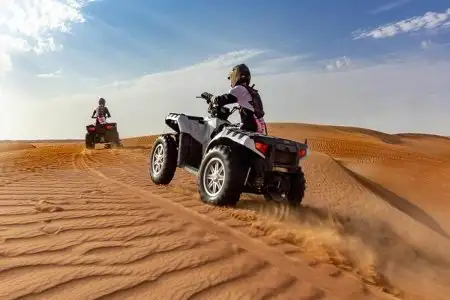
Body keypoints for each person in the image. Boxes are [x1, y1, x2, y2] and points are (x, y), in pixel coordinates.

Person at [201, 64, 267, 134]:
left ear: (236, 75)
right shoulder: (251, 91)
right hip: (258, 125)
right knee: (231, 126)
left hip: (250, 125)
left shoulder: (239, 88)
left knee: (220, 129)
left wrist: (209, 96)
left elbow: (221, 100)